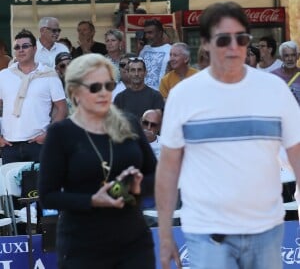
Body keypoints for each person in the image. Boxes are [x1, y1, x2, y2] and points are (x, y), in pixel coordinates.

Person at [155, 1, 300, 269]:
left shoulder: (275, 90)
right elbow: (167, 169)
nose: (234, 47)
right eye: (224, 40)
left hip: (266, 231)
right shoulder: (183, 96)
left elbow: (298, 155)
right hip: (208, 234)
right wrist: (165, 235)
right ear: (206, 44)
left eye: (241, 38)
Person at [38, 53, 156, 269]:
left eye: (108, 86)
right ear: (75, 92)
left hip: (133, 241)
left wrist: (135, 187)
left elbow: (155, 176)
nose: (104, 93)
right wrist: (92, 200)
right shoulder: (61, 133)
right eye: (95, 87)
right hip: (83, 245)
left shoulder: (129, 123)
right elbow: (48, 196)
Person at [0, 29, 67, 164]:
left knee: (40, 185)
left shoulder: (48, 75)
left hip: (38, 144)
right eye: (17, 47)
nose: (21, 50)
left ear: (35, 48)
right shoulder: (4, 75)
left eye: (25, 46)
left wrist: (48, 134)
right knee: (10, 185)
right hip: (9, 145)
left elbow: (62, 108)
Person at [139, 19, 172, 90]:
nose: (147, 36)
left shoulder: (171, 50)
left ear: (160, 33)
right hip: (142, 94)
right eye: (145, 33)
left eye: (150, 33)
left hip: (161, 95)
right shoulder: (144, 50)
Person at [272, 40, 300, 104]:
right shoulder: (274, 76)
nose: (290, 59)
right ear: (281, 57)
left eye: (293, 55)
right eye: (286, 56)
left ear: (297, 56)